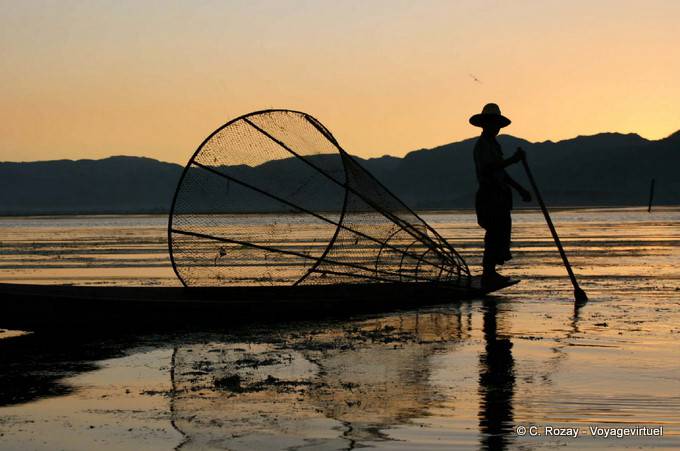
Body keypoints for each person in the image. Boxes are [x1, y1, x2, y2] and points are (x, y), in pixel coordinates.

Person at [469, 103, 531, 286]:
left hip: (500, 196)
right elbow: (489, 168)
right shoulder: (482, 146)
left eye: (497, 124)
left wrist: (520, 189)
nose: (495, 128)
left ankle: (491, 272)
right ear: (485, 125)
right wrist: (512, 160)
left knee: (499, 234)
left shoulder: (494, 145)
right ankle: (489, 273)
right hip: (489, 196)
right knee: (494, 234)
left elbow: (501, 174)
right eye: (492, 124)